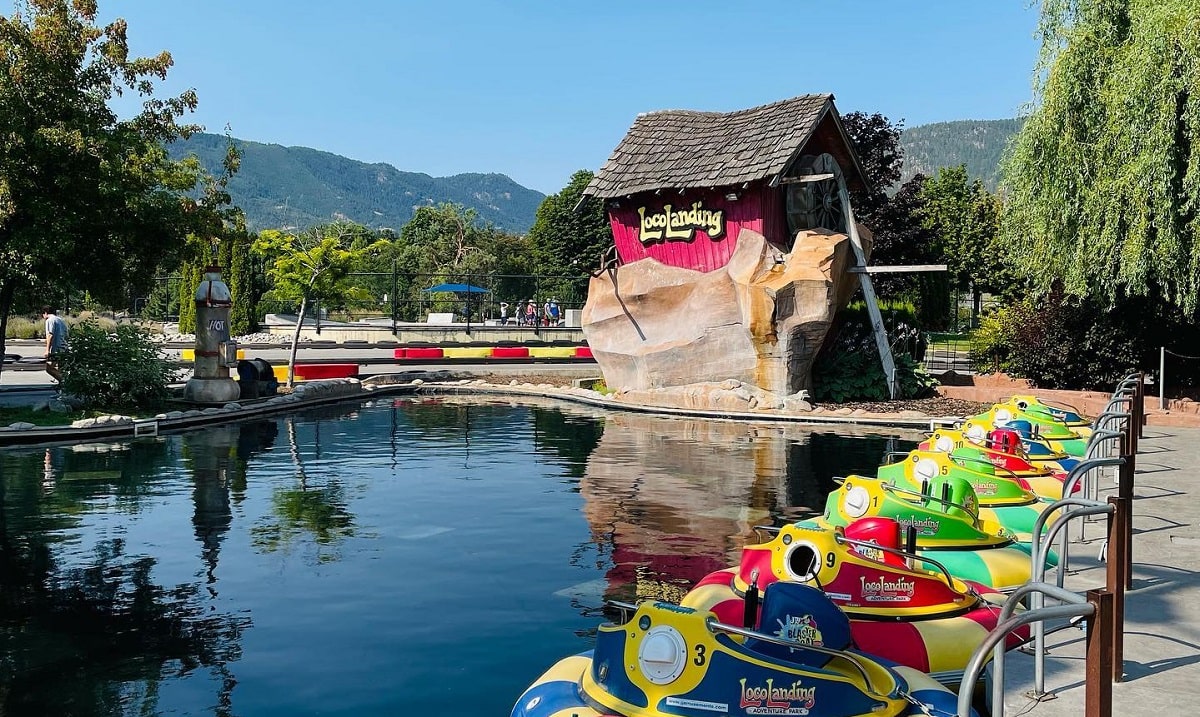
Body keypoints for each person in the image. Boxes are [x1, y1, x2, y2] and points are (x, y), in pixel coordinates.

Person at [41, 306, 68, 384]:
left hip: (56, 348)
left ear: (45, 313)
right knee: (61, 369)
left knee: (49, 368)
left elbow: (50, 335)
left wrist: (47, 350)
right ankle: (62, 392)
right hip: (63, 347)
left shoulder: (49, 320)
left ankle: (65, 382)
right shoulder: (60, 320)